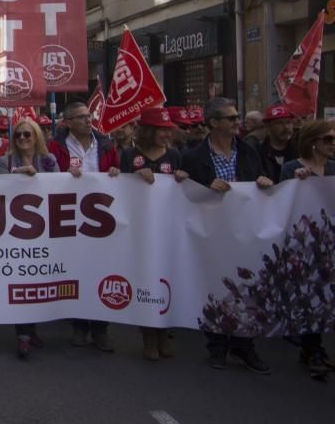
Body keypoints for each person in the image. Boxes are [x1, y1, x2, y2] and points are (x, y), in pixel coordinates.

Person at [182, 97, 274, 374]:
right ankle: (218, 344)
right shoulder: (194, 156)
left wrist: (263, 182)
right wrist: (203, 185)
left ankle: (245, 345)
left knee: (248, 284)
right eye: (231, 118)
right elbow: (186, 194)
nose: (237, 122)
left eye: (237, 117)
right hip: (211, 231)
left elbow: (264, 181)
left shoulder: (248, 152)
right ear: (213, 123)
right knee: (216, 286)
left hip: (245, 229)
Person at [119, 108, 190, 361]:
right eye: (160, 129)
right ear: (148, 131)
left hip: (167, 229)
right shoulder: (129, 155)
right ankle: (148, 336)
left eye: (167, 129)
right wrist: (131, 177)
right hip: (140, 230)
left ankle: (163, 333)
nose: (165, 134)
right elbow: (118, 189)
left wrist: (181, 178)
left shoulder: (174, 155)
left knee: (167, 281)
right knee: (145, 281)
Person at [49, 101, 120, 351]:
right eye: (80, 117)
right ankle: (79, 326)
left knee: (101, 271)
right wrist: (61, 173)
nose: (88, 120)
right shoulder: (56, 147)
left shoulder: (106, 144)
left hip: (100, 217)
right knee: (75, 272)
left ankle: (101, 329)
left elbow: (118, 171)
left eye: (89, 116)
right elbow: (48, 174)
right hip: (68, 219)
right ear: (68, 122)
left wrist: (114, 170)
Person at [0, 118, 56, 359]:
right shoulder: (4, 161)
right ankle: (23, 335)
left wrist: (38, 176)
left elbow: (60, 189)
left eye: (27, 135)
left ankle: (33, 328)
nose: (22, 140)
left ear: (36, 137)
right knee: (19, 281)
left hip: (43, 231)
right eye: (18, 135)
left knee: (39, 281)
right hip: (14, 232)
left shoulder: (49, 162)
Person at [279, 119, 335, 381]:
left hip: (329, 242)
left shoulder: (333, 169)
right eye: (328, 140)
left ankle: (313, 347)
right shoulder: (292, 168)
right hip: (302, 244)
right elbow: (280, 203)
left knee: (325, 296)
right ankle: (313, 350)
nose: (332, 145)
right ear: (314, 142)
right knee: (310, 294)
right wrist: (296, 183)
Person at [254, 104, 298, 183]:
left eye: (289, 122)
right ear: (268, 126)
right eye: (280, 123)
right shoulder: (257, 152)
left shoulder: (301, 150)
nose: (286, 127)